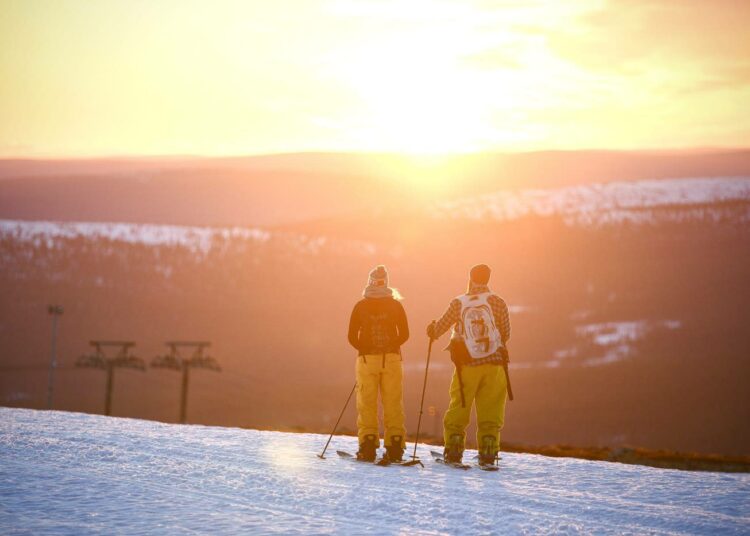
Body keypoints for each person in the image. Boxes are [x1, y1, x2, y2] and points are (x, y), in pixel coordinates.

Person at [426, 263, 511, 466]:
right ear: (488, 279)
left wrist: (431, 329)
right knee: (491, 410)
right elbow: (505, 334)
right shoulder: (498, 302)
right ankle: (488, 451)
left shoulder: (459, 303)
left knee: (459, 407)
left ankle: (454, 449)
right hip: (495, 365)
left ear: (471, 278)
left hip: (467, 366)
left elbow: (439, 329)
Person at [347, 265, 409, 462]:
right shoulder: (396, 306)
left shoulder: (360, 306)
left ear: (369, 282)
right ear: (386, 283)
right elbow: (405, 335)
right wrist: (391, 345)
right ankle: (395, 447)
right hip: (391, 359)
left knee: (367, 404)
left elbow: (351, 336)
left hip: (366, 360)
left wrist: (364, 348)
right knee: (393, 403)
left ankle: (367, 447)